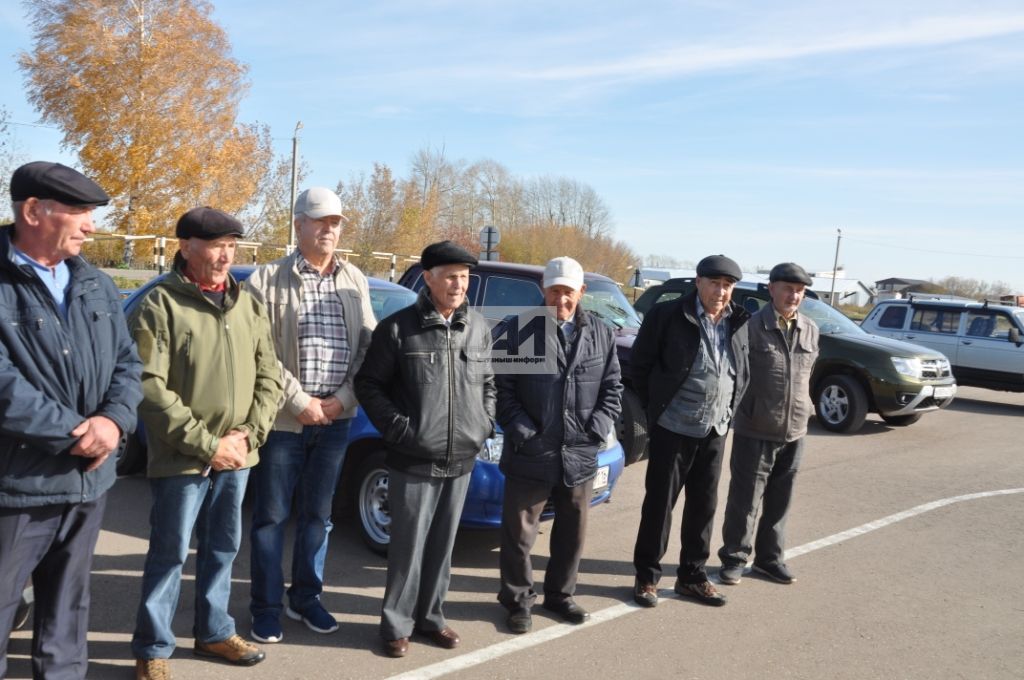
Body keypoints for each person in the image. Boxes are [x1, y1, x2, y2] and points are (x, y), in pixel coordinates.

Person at [0, 161, 142, 679]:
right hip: (16, 488)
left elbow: (128, 362)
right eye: (80, 211)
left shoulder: (95, 284)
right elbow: (4, 386)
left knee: (66, 622)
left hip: (87, 483)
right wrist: (74, 434)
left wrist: (113, 421)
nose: (91, 224)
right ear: (34, 211)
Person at [129, 207, 282, 680]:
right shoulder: (160, 305)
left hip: (238, 456)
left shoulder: (248, 304)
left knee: (223, 547)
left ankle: (215, 630)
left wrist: (248, 435)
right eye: (216, 245)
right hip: (183, 458)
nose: (225, 255)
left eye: (232, 246)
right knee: (170, 552)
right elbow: (148, 388)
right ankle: (154, 646)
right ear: (186, 247)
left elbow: (269, 377)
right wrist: (206, 444)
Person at [244, 188, 376, 642]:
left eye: (335, 222)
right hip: (284, 421)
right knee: (271, 518)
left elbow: (368, 348)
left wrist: (343, 398)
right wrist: (299, 401)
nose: (329, 229)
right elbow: (256, 351)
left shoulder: (354, 279)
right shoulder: (265, 280)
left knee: (319, 516)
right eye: (320, 221)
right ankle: (265, 606)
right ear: (297, 224)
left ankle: (306, 598)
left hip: (337, 419)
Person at [355, 240, 495, 659]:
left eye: (465, 277)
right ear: (429, 278)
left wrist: (483, 424)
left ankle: (432, 618)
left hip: (462, 458)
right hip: (413, 457)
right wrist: (400, 429)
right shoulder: (398, 329)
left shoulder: (479, 327)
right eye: (450, 275)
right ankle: (396, 625)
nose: (458, 284)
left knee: (442, 547)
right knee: (407, 549)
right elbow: (369, 385)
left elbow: (489, 384)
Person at [495, 256, 622, 634]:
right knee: (519, 534)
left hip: (579, 454)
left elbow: (613, 389)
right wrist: (523, 432)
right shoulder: (519, 330)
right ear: (543, 291)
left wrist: (595, 432)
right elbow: (502, 391)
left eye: (568, 292)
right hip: (530, 451)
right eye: (554, 291)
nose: (560, 300)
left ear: (582, 292)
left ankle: (561, 595)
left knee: (572, 529)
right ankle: (518, 601)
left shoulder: (600, 332)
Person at [631, 254, 751, 608]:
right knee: (659, 505)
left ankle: (692, 576)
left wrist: (729, 410)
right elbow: (640, 366)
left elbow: (742, 370)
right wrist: (658, 410)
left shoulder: (738, 322)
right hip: (673, 426)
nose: (721, 291)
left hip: (716, 428)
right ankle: (647, 578)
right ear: (697, 282)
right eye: (714, 283)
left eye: (727, 285)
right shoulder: (667, 316)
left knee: (703, 506)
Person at [718, 263, 819, 586]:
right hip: (755, 428)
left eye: (799, 291)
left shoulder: (810, 329)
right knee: (744, 501)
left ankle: (769, 559)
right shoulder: (750, 327)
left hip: (795, 430)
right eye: (788, 288)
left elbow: (806, 376)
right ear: (771, 289)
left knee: (780, 501)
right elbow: (736, 376)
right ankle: (734, 557)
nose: (794, 295)